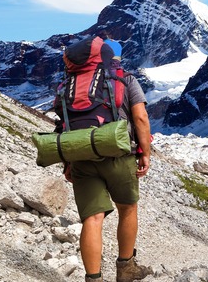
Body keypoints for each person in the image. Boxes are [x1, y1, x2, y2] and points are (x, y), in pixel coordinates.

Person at [59, 38, 153, 282]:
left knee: (92, 218)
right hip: (118, 154)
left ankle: (93, 278)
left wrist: (68, 163)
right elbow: (141, 118)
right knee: (128, 208)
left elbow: (63, 125)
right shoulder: (125, 79)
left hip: (80, 156)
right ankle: (126, 269)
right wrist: (145, 153)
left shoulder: (67, 85)